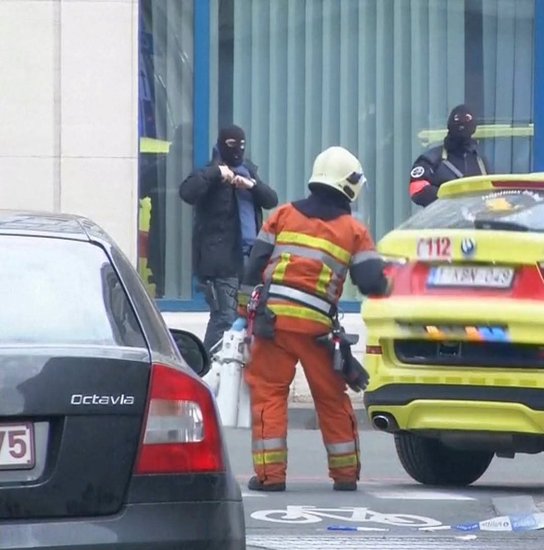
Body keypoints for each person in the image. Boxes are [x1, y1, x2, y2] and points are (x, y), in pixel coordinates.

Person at [238, 146, 390, 493]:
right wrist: (390, 279)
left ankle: (270, 476)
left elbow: (254, 265)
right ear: (350, 185)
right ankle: (346, 475)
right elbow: (371, 284)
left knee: (269, 396)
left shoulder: (282, 215)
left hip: (272, 324)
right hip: (318, 330)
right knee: (332, 399)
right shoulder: (354, 231)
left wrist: (243, 315)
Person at [179, 125, 279, 352]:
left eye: (241, 145)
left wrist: (250, 185)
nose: (237, 150)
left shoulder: (249, 171)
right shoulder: (209, 173)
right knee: (223, 318)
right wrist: (217, 173)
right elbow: (187, 192)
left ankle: (229, 371)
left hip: (250, 261)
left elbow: (271, 199)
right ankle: (204, 371)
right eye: (232, 145)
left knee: (246, 318)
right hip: (221, 263)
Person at [408, 104, 490, 207]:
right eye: (458, 120)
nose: (462, 126)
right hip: (442, 221)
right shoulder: (431, 159)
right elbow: (417, 189)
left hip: (474, 221)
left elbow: (491, 194)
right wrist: (450, 201)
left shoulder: (479, 161)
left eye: (467, 120)